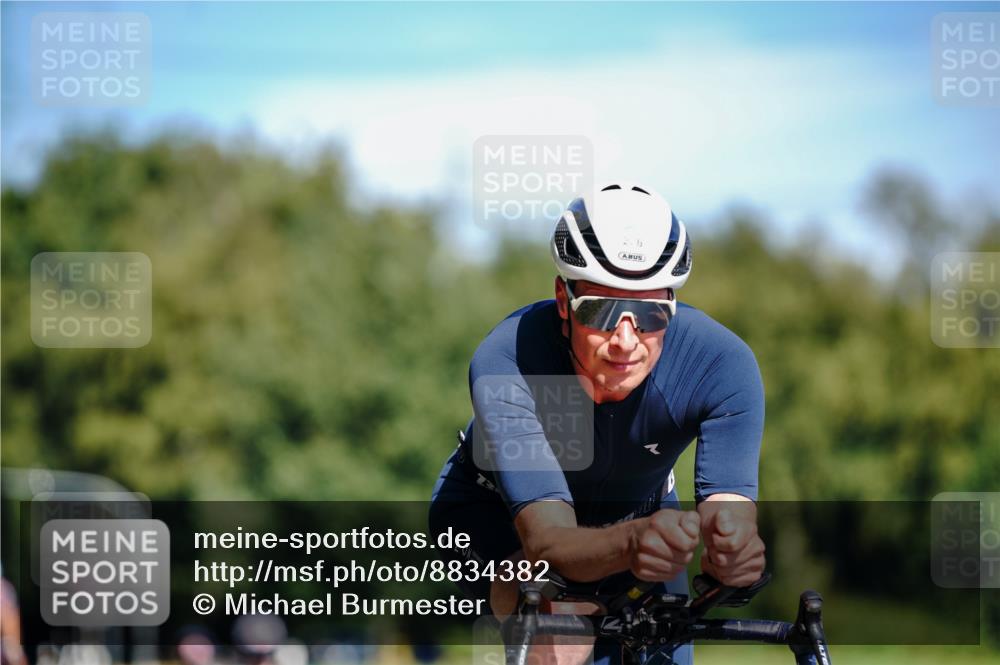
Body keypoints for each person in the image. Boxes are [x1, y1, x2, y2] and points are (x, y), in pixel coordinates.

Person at [429, 182, 767, 665]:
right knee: (558, 639)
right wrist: (632, 542)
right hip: (501, 520)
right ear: (563, 302)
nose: (627, 340)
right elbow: (547, 541)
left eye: (651, 312)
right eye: (603, 311)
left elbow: (728, 514)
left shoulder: (720, 363)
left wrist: (733, 552)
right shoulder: (510, 358)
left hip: (639, 515)